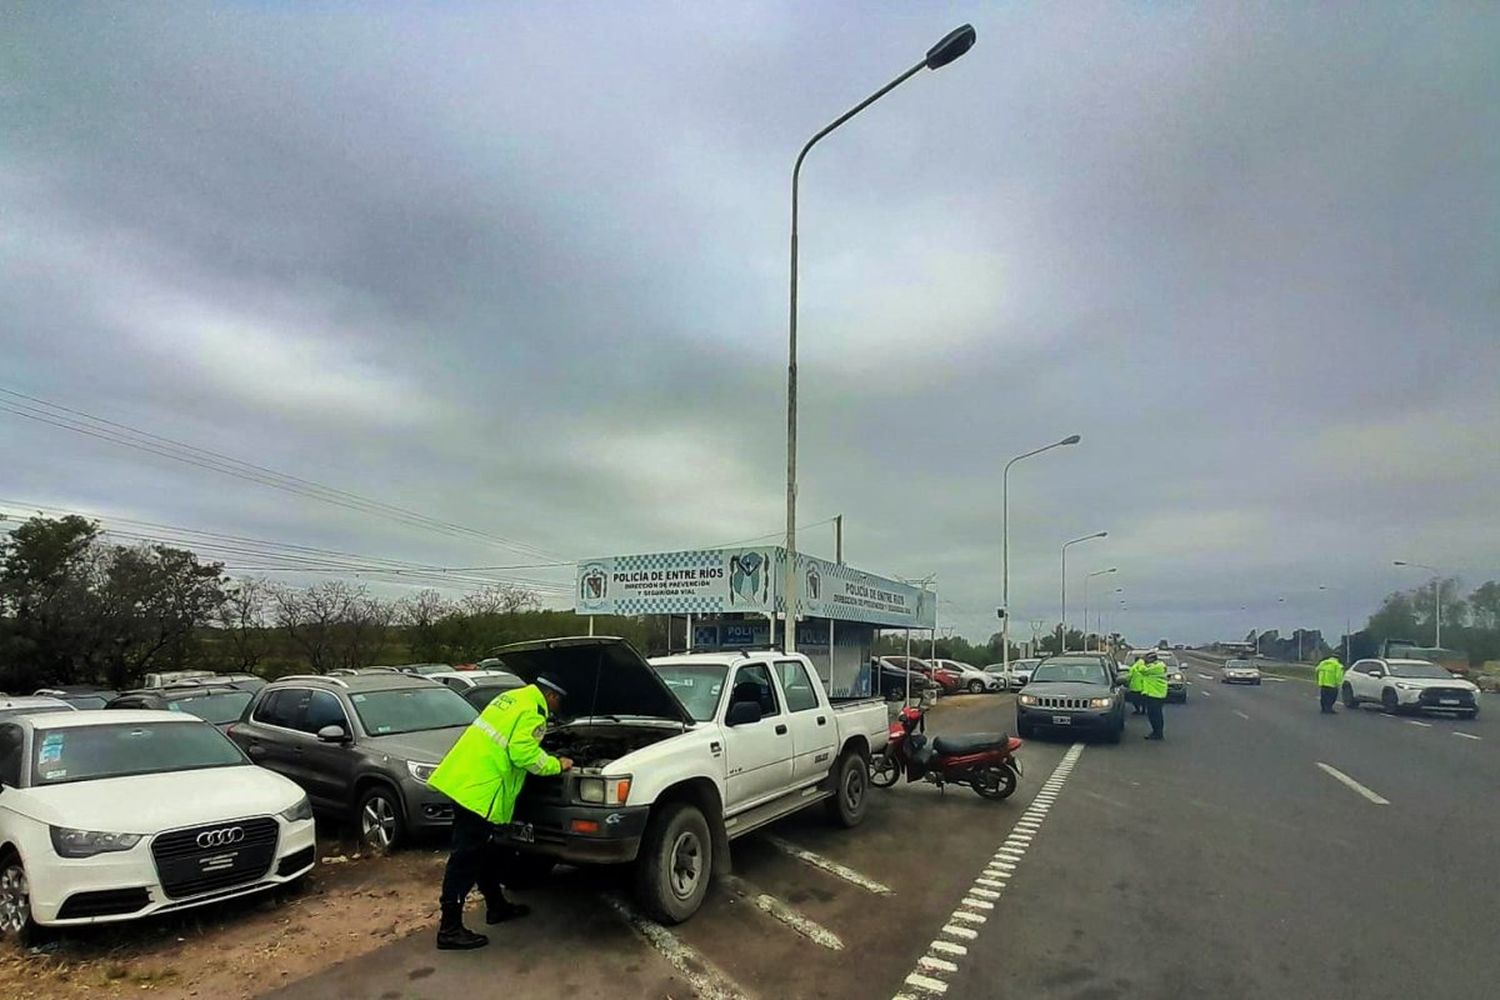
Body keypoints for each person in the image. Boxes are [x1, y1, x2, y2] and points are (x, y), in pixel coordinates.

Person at [426, 674, 574, 950]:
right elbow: (524, 755)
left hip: (464, 780)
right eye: (559, 703)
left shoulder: (511, 698)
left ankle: (496, 905)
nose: (557, 709)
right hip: (481, 791)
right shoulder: (534, 713)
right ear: (551, 696)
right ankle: (449, 929)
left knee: (484, 851)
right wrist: (557, 763)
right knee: (465, 859)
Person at [1138, 652, 1168, 740]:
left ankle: (1158, 733)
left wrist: (1141, 660)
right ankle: (1156, 732)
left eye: (1147, 659)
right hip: (1153, 693)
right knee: (1153, 715)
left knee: (1156, 715)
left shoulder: (1157, 667)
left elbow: (1142, 670)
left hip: (1156, 694)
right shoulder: (1155, 666)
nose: (1146, 661)